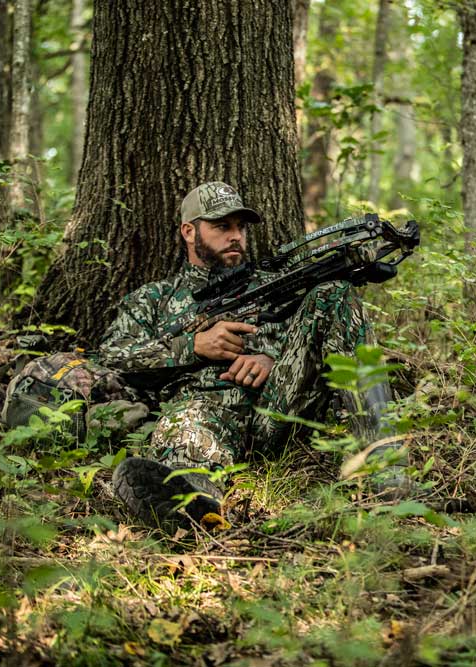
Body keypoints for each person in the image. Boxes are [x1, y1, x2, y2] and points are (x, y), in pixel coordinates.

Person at [100, 181, 407, 529]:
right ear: (189, 231)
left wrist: (271, 357)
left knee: (335, 293)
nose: (236, 236)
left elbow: (309, 336)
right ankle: (194, 507)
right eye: (221, 226)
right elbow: (113, 357)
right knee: (186, 428)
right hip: (205, 415)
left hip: (277, 407)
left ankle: (386, 469)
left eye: (240, 227)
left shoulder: (275, 284)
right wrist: (193, 346)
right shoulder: (155, 299)